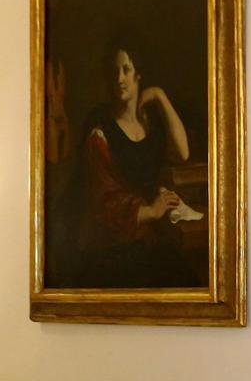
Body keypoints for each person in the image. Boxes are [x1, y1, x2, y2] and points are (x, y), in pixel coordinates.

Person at [72, 41, 197, 288]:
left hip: (150, 236)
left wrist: (160, 96)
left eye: (126, 70)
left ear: (138, 74)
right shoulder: (100, 133)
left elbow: (183, 153)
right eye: (114, 71)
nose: (119, 78)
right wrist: (152, 210)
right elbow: (103, 206)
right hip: (114, 245)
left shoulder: (149, 123)